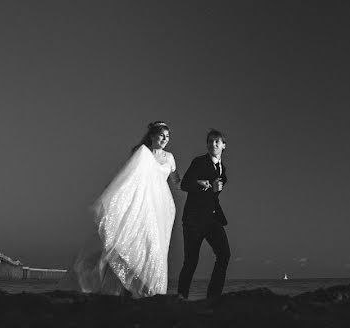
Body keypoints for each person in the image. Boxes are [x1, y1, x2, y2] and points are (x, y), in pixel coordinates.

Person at [61, 121, 180, 297]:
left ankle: (150, 288)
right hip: (142, 204)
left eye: (167, 136)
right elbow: (127, 177)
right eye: (161, 135)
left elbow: (176, 181)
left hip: (161, 207)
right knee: (131, 242)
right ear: (153, 136)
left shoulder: (169, 157)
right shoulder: (142, 153)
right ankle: (125, 287)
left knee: (154, 246)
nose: (165, 139)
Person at [177, 130, 230, 300]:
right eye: (209, 141)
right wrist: (201, 183)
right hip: (193, 220)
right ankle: (181, 298)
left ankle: (213, 297)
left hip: (212, 219)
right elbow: (185, 184)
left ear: (223, 145)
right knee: (191, 262)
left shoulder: (223, 169)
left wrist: (215, 190)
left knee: (224, 255)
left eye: (216, 142)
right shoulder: (199, 162)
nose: (212, 144)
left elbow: (212, 195)